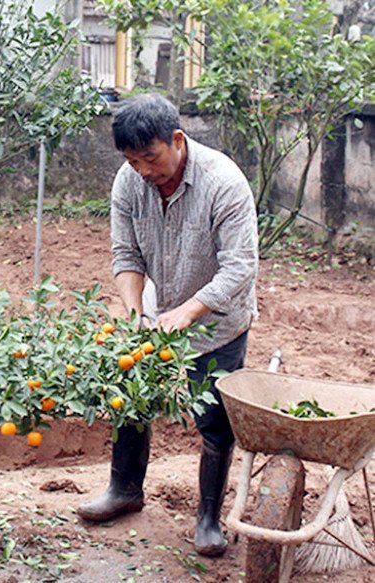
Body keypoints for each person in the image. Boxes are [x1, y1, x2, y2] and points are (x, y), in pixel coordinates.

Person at [76, 93, 259, 557]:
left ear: (177, 140)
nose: (142, 170)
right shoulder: (128, 182)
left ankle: (208, 517)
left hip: (218, 320)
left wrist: (189, 312)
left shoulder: (224, 183)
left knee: (215, 416)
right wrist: (137, 311)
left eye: (150, 158)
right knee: (130, 395)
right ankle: (125, 489)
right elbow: (126, 255)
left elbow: (240, 268)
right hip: (158, 309)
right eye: (132, 160)